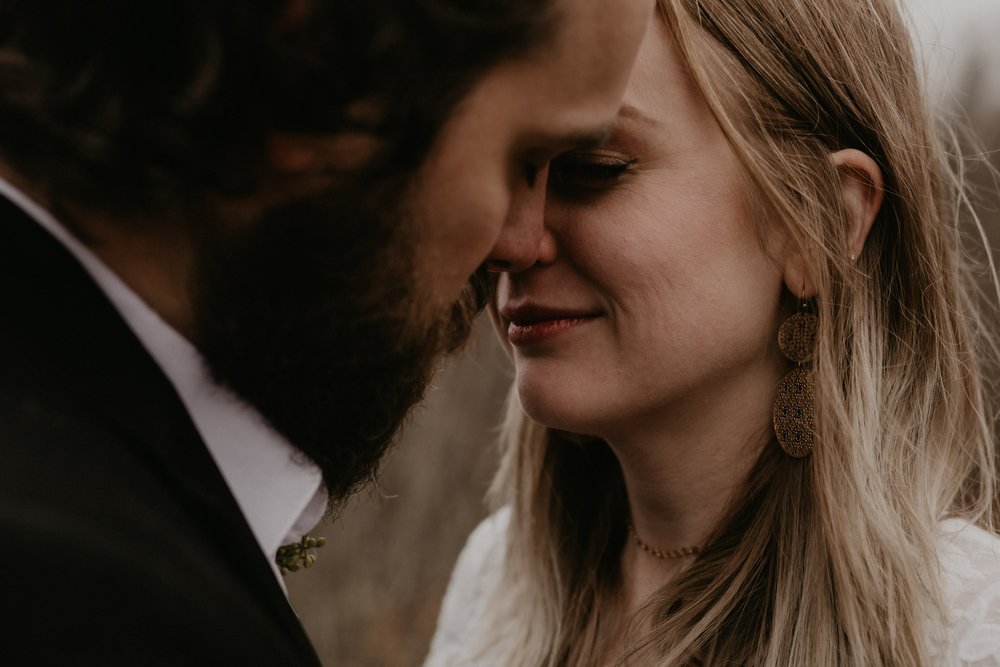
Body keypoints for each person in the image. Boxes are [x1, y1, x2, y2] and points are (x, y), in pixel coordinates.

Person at [0, 0, 652, 664]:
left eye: (587, 167)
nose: (521, 241)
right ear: (320, 62)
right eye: (525, 157)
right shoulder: (82, 600)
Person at [426, 0, 1000, 665]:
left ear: (821, 223)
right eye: (513, 168)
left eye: (595, 168)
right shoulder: (491, 584)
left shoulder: (964, 631)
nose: (510, 240)